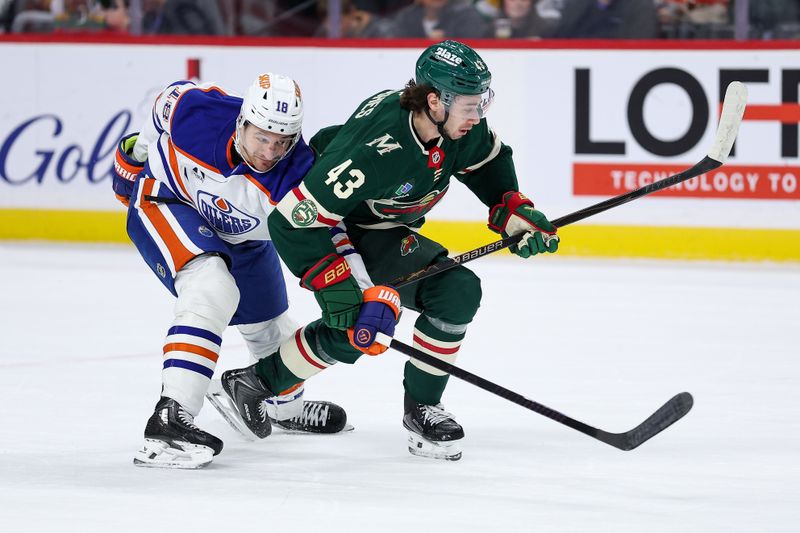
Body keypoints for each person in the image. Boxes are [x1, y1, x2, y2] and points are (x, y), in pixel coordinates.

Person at [215, 40, 559, 461]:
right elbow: (291, 223)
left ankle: (263, 383)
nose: (477, 114)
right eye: (470, 105)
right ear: (435, 101)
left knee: (452, 294)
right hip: (340, 226)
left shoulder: (453, 125)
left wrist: (509, 207)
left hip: (383, 227)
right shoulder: (374, 152)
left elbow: (487, 162)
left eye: (480, 103)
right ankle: (259, 381)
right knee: (366, 321)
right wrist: (335, 284)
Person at [110, 72, 349, 469]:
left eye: (281, 141)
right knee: (212, 287)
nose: (269, 151)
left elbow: (331, 233)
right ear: (242, 122)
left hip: (246, 239)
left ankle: (281, 408)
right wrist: (135, 157)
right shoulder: (197, 112)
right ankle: (171, 418)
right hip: (166, 202)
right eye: (261, 137)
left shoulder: (298, 174)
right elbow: (159, 109)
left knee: (274, 330)